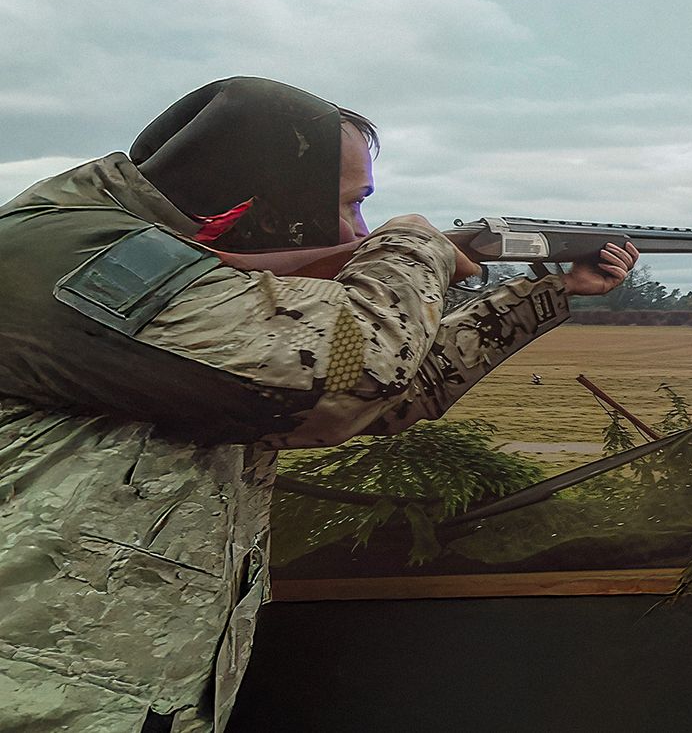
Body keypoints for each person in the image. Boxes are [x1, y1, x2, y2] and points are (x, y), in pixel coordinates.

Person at [0, 77, 637, 732]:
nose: (358, 231)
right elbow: (349, 371)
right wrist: (414, 246)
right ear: (266, 202)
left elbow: (379, 399)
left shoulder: (174, 283)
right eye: (351, 205)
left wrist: (545, 296)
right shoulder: (62, 252)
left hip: (127, 695)